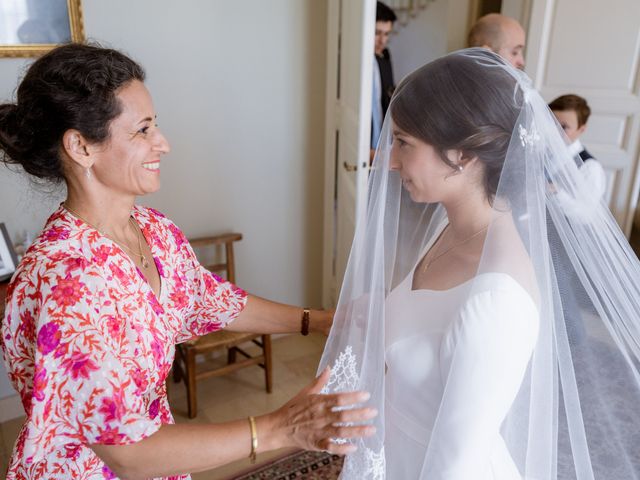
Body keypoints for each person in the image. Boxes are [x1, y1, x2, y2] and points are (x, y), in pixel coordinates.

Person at [0, 43, 377, 480]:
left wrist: (324, 319)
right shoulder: (68, 279)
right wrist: (277, 428)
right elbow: (129, 451)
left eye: (155, 125)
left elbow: (210, 300)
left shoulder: (153, 229)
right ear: (81, 146)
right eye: (142, 130)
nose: (163, 143)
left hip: (160, 457)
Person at [320, 48, 640, 479]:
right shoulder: (449, 229)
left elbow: (455, 465)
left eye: (404, 143)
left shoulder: (497, 302)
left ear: (464, 155)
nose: (390, 161)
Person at [550, 94, 606, 202]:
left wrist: (557, 193)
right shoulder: (537, 151)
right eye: (551, 122)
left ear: (581, 129)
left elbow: (586, 214)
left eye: (563, 127)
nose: (555, 131)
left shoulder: (590, 168)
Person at [371, 2, 397, 154]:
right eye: (377, 33)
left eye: (386, 34)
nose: (382, 40)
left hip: (381, 139)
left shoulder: (385, 57)